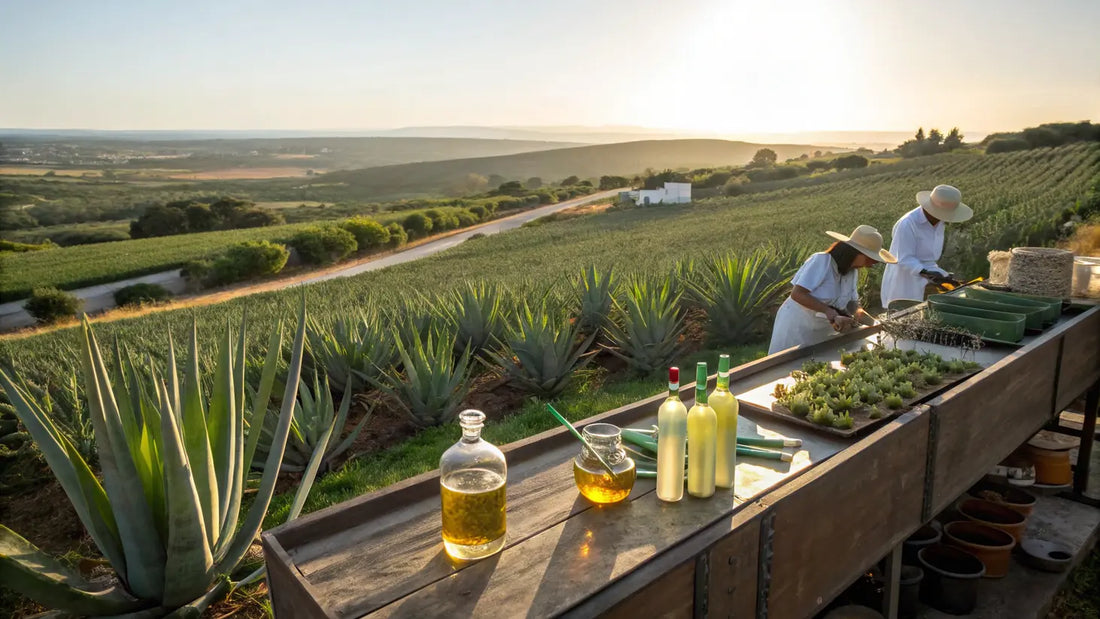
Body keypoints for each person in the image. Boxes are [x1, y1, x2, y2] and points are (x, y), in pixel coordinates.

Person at [768, 225, 897, 354]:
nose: (872, 264)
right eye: (870, 258)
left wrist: (876, 324)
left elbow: (852, 305)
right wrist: (828, 311)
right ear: (855, 252)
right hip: (797, 328)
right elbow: (797, 294)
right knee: (786, 368)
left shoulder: (852, 272)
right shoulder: (821, 261)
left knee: (817, 368)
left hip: (822, 331)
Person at [881, 184, 973, 309]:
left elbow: (929, 259)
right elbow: (904, 258)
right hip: (904, 281)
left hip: (927, 276)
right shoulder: (908, 223)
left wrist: (942, 275)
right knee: (904, 313)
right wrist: (926, 272)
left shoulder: (939, 222)